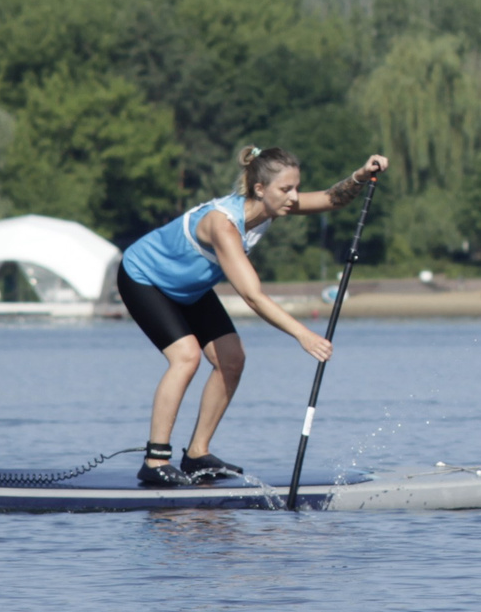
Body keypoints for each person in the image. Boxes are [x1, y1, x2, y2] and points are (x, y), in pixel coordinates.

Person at [115, 145, 388, 486]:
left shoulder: (274, 207)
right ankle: (155, 461)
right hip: (145, 279)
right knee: (185, 358)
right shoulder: (223, 225)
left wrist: (361, 175)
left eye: (296, 188)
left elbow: (333, 199)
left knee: (232, 359)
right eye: (286, 189)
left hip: (190, 289)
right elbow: (252, 296)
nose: (294, 197)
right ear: (260, 189)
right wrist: (304, 334)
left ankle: (197, 453)